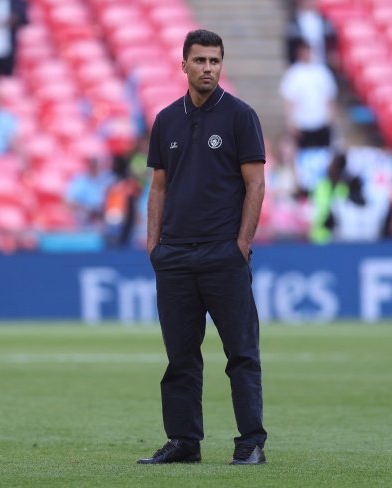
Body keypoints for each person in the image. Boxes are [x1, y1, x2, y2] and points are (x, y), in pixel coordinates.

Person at [138, 29, 267, 466]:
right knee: (180, 358)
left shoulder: (240, 116)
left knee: (241, 354)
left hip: (222, 254)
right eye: (200, 60)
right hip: (174, 256)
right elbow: (158, 187)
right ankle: (184, 441)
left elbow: (255, 184)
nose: (208, 68)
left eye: (214, 61)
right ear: (184, 65)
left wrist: (241, 245)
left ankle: (251, 442)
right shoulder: (166, 120)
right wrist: (154, 245)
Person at [279, 40, 338, 193]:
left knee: (324, 156)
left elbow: (329, 98)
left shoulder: (322, 72)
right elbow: (289, 101)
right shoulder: (294, 74)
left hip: (321, 122)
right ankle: (303, 187)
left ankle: (325, 185)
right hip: (302, 123)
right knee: (301, 158)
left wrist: (331, 119)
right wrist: (291, 122)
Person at [309, 151, 349, 244]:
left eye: (335, 165)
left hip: (338, 238)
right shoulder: (320, 185)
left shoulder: (343, 189)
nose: (330, 167)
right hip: (317, 236)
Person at [284, 0, 337, 67]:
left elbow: (331, 42)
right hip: (302, 65)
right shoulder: (293, 23)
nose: (309, 3)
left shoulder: (324, 20)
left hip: (323, 63)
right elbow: (291, 45)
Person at [103, 154, 140, 247]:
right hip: (111, 218)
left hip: (124, 220)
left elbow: (133, 203)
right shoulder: (110, 180)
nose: (113, 166)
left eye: (114, 164)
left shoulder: (129, 182)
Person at [65, 157, 111, 230]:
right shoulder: (80, 181)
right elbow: (70, 201)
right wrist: (87, 210)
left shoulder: (108, 180)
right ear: (90, 167)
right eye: (94, 166)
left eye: (98, 166)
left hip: (105, 216)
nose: (96, 169)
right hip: (85, 217)